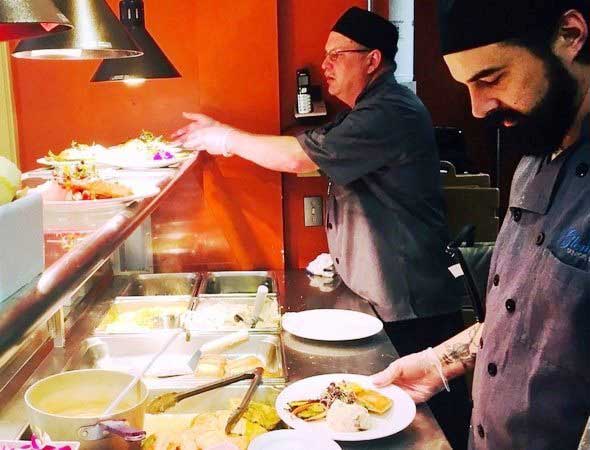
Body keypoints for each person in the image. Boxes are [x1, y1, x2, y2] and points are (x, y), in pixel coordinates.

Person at [172, 7, 470, 448]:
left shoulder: (390, 110)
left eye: (337, 56)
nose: (325, 65)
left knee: (431, 423)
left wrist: (224, 138)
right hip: (394, 291)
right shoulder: (365, 108)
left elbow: (298, 158)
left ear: (372, 60)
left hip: (410, 298)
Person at [372, 1, 590, 449]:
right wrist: (439, 363)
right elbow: (526, 312)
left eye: (491, 78)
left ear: (570, 35)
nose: (477, 108)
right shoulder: (535, 158)